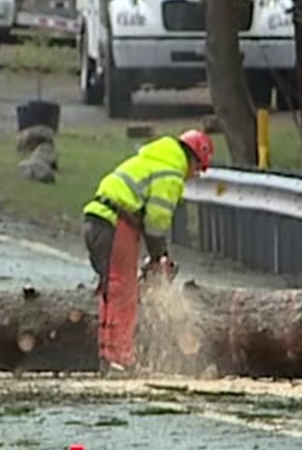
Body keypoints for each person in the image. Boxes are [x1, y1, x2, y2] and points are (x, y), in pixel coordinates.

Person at [80, 129, 214, 372]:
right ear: (193, 159)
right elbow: (157, 221)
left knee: (112, 289)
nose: (193, 176)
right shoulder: (171, 172)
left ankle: (108, 356)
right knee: (122, 291)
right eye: (196, 170)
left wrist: (157, 256)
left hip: (98, 219)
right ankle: (119, 358)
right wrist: (158, 257)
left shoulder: (155, 158)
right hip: (115, 221)